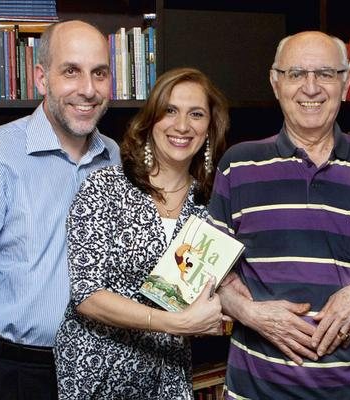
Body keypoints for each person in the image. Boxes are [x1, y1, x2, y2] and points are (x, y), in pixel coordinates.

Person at [0, 20, 119, 400]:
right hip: (15, 375)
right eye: (71, 72)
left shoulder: (115, 158)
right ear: (41, 79)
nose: (88, 90)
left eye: (100, 73)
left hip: (101, 370)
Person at [210, 31, 350, 399]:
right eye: (296, 74)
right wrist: (249, 313)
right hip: (255, 390)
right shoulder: (238, 163)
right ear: (275, 82)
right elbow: (205, 269)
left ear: (344, 82)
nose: (311, 88)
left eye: (325, 74)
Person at [53, 67, 229, 399]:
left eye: (196, 114)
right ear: (150, 121)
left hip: (168, 372)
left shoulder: (212, 204)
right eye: (170, 111)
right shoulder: (104, 188)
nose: (182, 126)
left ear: (208, 129)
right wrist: (177, 324)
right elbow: (86, 295)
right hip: (97, 371)